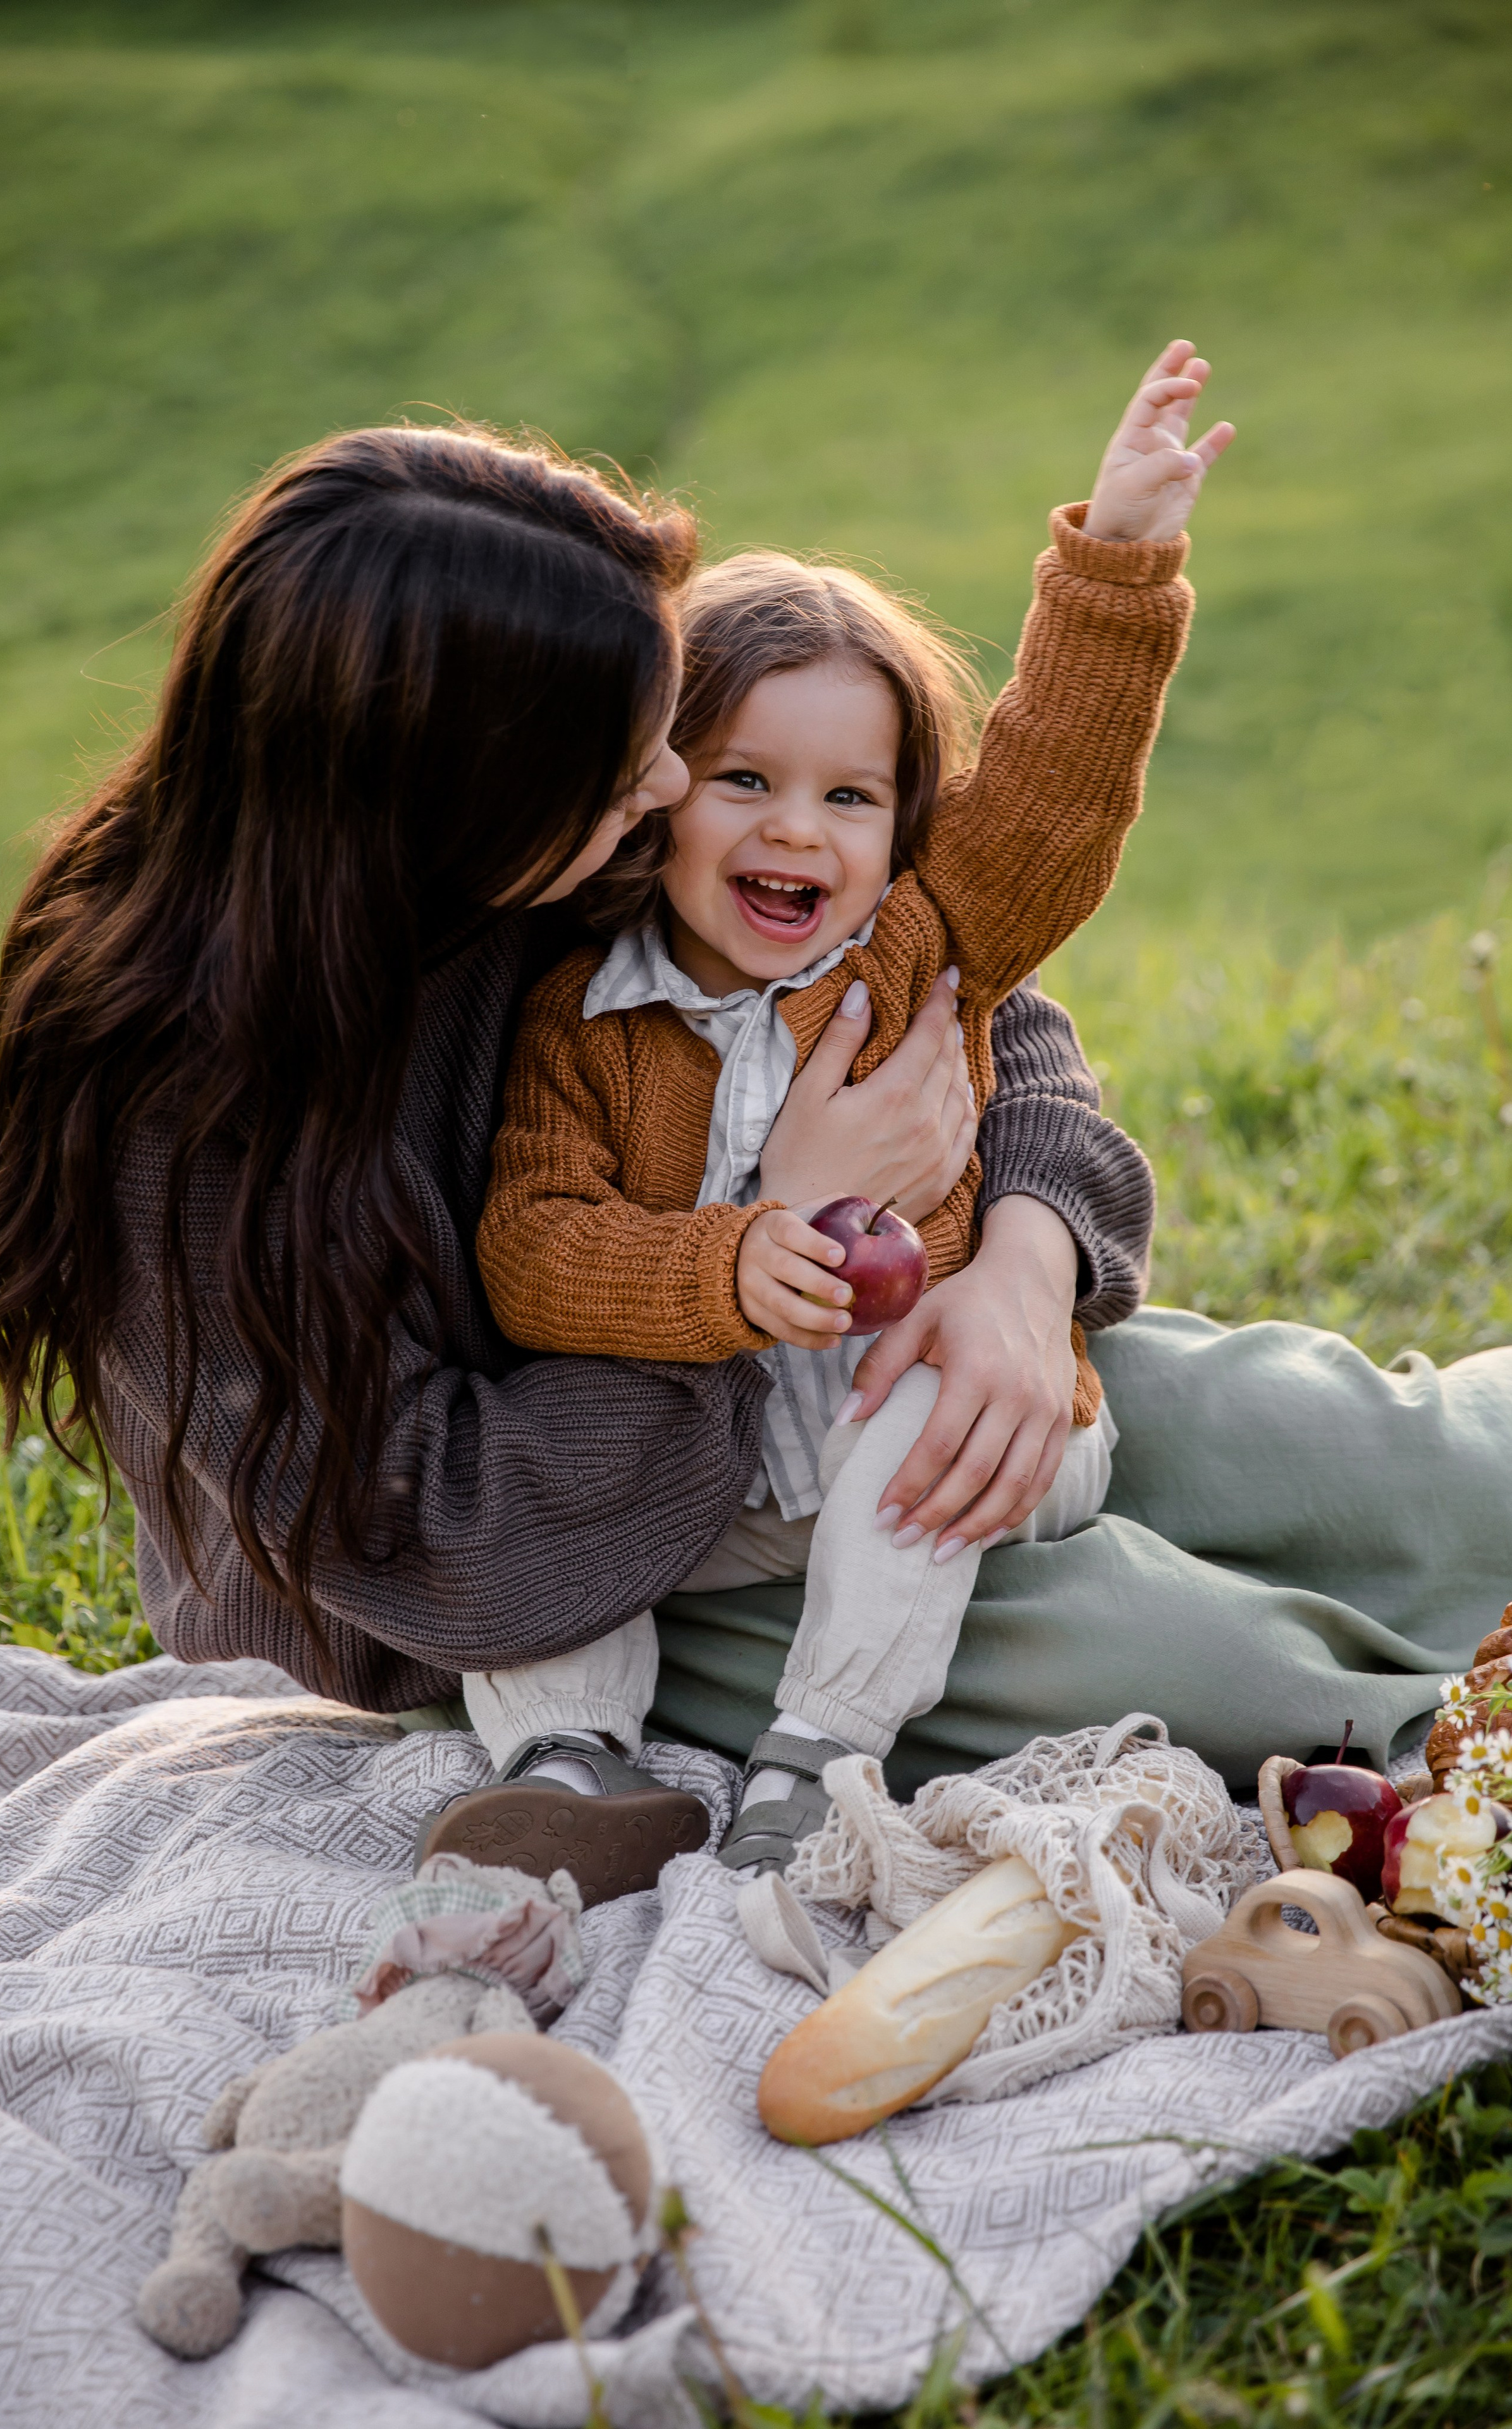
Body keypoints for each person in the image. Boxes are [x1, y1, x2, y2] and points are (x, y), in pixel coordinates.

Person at [0, 420, 1147, 1805]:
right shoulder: (176, 1113)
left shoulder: (569, 854)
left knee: (1314, 1441)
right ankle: (597, 1786)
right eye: (636, 756)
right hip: (502, 1593)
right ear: (452, 790)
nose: (676, 786)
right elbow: (439, 1535)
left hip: (818, 1385)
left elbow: (972, 1000)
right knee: (1221, 1669)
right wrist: (764, 1222)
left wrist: (1022, 1268)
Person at [421, 345, 1227, 1884]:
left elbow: (1052, 793)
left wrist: (1115, 566)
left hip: (946, 1450)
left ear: (902, 825)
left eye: (851, 799)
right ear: (655, 801)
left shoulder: (920, 942)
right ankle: (570, 1759)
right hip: (714, 1489)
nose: (799, 828)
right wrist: (720, 1266)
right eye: (743, 781)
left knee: (913, 1426)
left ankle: (826, 1750)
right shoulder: (580, 1018)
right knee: (536, 1454)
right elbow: (530, 1246)